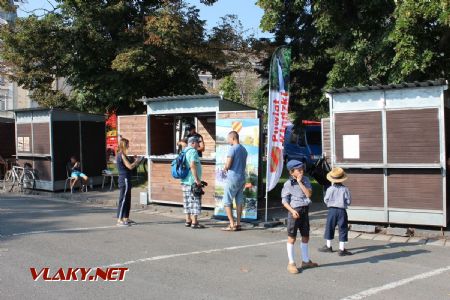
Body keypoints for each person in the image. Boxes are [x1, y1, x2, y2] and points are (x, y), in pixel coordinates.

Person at [282, 160, 319, 274]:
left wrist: (300, 182)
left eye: (302, 169)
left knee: (306, 236)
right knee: (292, 237)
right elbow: (284, 201)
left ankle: (305, 260)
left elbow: (308, 194)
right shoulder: (288, 184)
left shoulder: (306, 180)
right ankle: (291, 263)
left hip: (305, 210)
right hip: (294, 212)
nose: (301, 171)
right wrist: (292, 211)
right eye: (298, 170)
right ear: (292, 172)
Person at [318, 167, 353, 256]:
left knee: (329, 227)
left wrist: (330, 203)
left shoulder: (330, 189)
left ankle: (328, 246)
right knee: (343, 229)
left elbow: (326, 199)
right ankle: (341, 249)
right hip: (342, 211)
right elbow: (348, 201)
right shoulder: (345, 189)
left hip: (332, 210)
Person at [221, 131, 248, 231]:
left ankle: (232, 224)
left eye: (228, 139)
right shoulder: (244, 149)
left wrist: (224, 169)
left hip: (232, 178)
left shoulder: (232, 149)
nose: (228, 140)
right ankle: (239, 223)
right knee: (239, 201)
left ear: (232, 138)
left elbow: (228, 165)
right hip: (242, 178)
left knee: (227, 201)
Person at [116, 138, 143, 227]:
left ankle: (126, 218)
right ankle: (119, 220)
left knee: (128, 199)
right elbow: (130, 167)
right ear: (124, 145)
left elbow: (130, 163)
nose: (129, 146)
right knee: (123, 200)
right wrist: (137, 161)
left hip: (127, 178)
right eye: (127, 144)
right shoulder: (121, 155)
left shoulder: (124, 155)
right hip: (124, 179)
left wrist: (135, 159)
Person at [181, 136, 204, 229]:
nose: (199, 144)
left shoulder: (184, 150)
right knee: (195, 201)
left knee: (186, 201)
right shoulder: (193, 152)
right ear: (193, 143)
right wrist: (197, 179)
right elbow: (192, 165)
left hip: (184, 180)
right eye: (198, 142)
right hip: (192, 181)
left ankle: (188, 220)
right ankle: (195, 222)